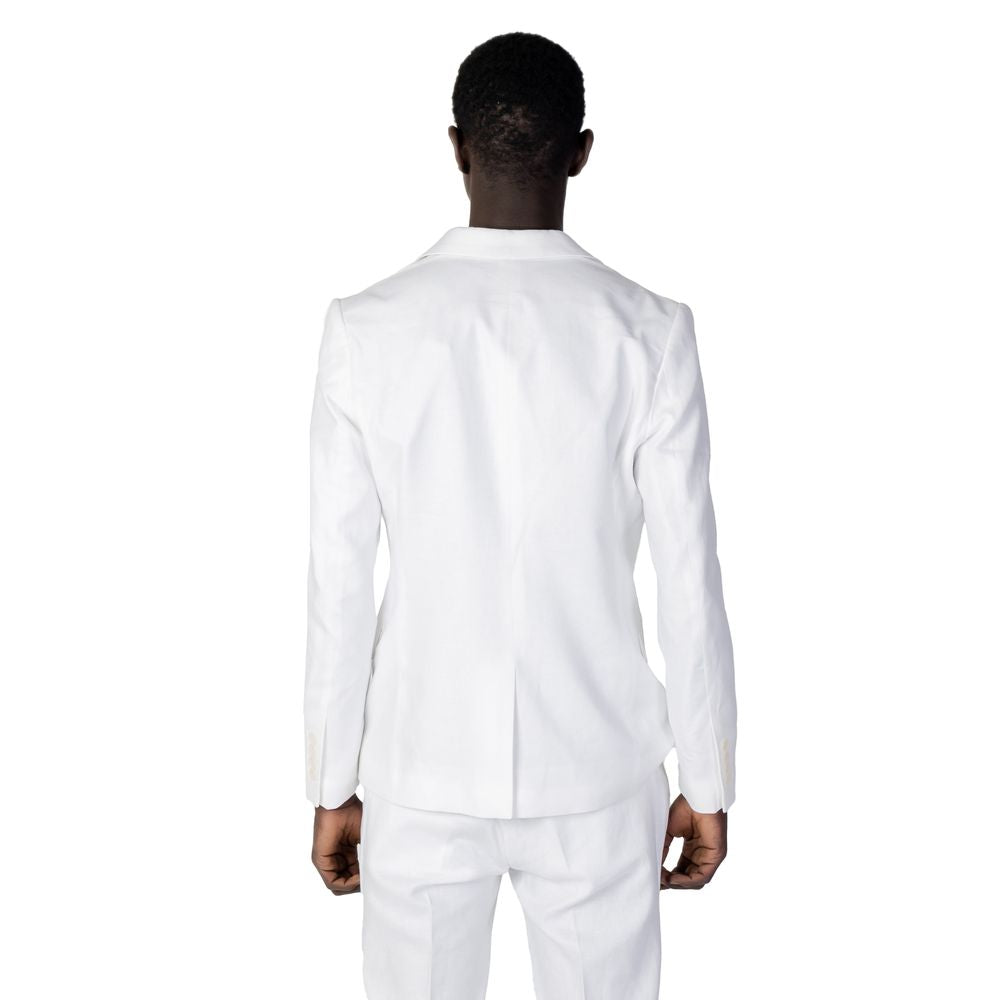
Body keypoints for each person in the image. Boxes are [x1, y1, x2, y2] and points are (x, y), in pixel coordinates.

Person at [304, 30, 737, 1000]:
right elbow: (688, 579)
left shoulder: (366, 329)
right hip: (597, 771)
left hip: (419, 767)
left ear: (456, 148)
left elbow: (339, 584)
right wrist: (708, 783)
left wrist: (331, 783)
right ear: (581, 152)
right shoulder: (650, 333)